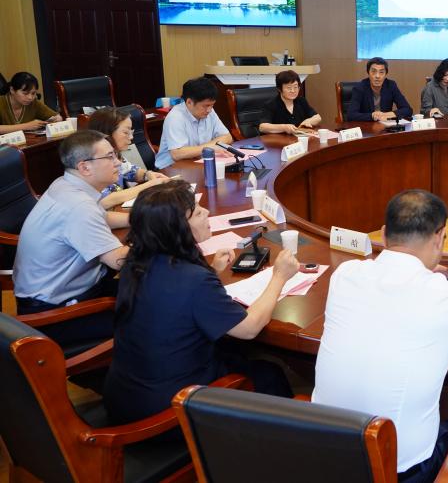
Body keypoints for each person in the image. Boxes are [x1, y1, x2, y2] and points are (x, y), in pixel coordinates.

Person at [313, 190, 448, 481]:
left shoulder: (345, 273)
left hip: (322, 458)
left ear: (383, 234)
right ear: (439, 238)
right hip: (396, 471)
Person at [104, 181, 297, 425]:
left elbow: (173, 298)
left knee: (234, 352)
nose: (206, 212)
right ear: (177, 229)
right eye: (196, 213)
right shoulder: (193, 279)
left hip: (127, 395)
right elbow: (249, 329)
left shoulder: (135, 263)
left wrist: (212, 271)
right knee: (270, 374)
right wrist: (279, 276)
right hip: (167, 414)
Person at [12, 130, 128, 346]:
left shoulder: (66, 184)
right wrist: (165, 232)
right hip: (54, 312)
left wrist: (143, 217)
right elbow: (118, 260)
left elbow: (102, 217)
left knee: (150, 287)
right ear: (84, 167)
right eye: (110, 156)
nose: (118, 162)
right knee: (151, 315)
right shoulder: (78, 206)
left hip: (75, 285)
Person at [87, 107, 170, 218]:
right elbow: (105, 200)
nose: (131, 137)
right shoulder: (93, 161)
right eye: (126, 132)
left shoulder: (116, 154)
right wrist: (149, 185)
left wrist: (148, 175)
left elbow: (131, 171)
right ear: (107, 133)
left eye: (131, 132)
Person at [155, 77, 233, 168]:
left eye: (212, 105)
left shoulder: (209, 112)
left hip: (197, 163)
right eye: (206, 105)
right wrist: (210, 148)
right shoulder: (175, 117)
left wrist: (206, 148)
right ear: (189, 102)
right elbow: (177, 154)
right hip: (170, 169)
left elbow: (227, 137)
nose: (209, 110)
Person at [347, 57, 414, 122]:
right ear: (368, 73)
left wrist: (387, 115)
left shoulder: (391, 86)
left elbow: (408, 110)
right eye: (373, 71)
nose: (377, 76)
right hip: (366, 127)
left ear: (385, 74)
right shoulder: (360, 88)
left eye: (381, 72)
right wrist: (372, 116)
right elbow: (351, 115)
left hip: (385, 126)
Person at [258, 69, 321, 134]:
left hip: (298, 138)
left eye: (295, 87)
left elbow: (318, 117)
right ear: (279, 89)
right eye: (289, 88)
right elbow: (262, 127)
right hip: (279, 139)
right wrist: (284, 127)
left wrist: (309, 121)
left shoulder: (301, 101)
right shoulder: (271, 105)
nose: (293, 91)